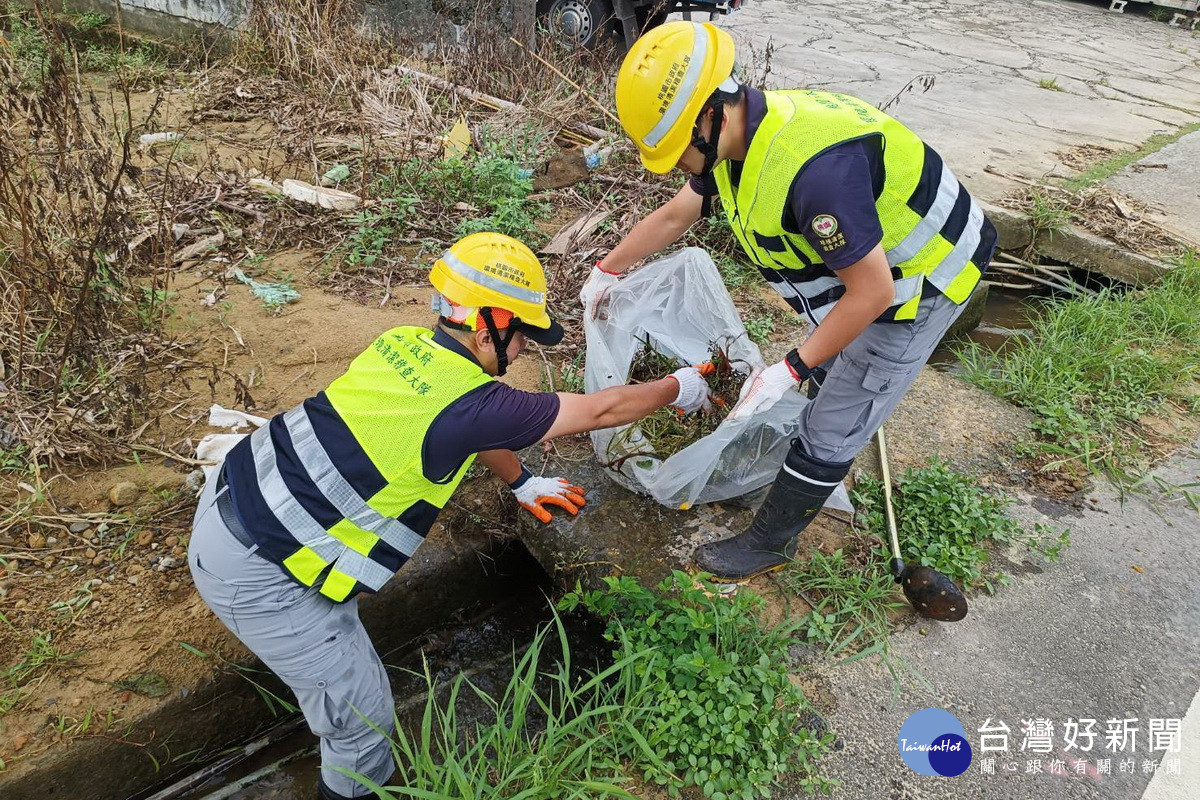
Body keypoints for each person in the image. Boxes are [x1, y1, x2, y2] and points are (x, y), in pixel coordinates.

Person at [187, 232, 711, 800]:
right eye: (524, 339)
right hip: (260, 574)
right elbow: (602, 408)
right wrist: (679, 387)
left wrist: (523, 480)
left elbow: (465, 424)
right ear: (488, 331)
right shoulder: (471, 403)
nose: (524, 353)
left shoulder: (404, 343)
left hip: (235, 497)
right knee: (362, 724)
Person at [583, 21, 997, 581]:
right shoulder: (736, 142)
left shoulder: (812, 174)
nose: (674, 163)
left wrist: (792, 366)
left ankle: (770, 540)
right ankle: (829, 404)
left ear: (709, 116)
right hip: (869, 262)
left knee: (837, 412)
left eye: (674, 148)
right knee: (834, 367)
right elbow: (678, 214)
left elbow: (873, 291)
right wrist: (606, 270)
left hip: (923, 272)